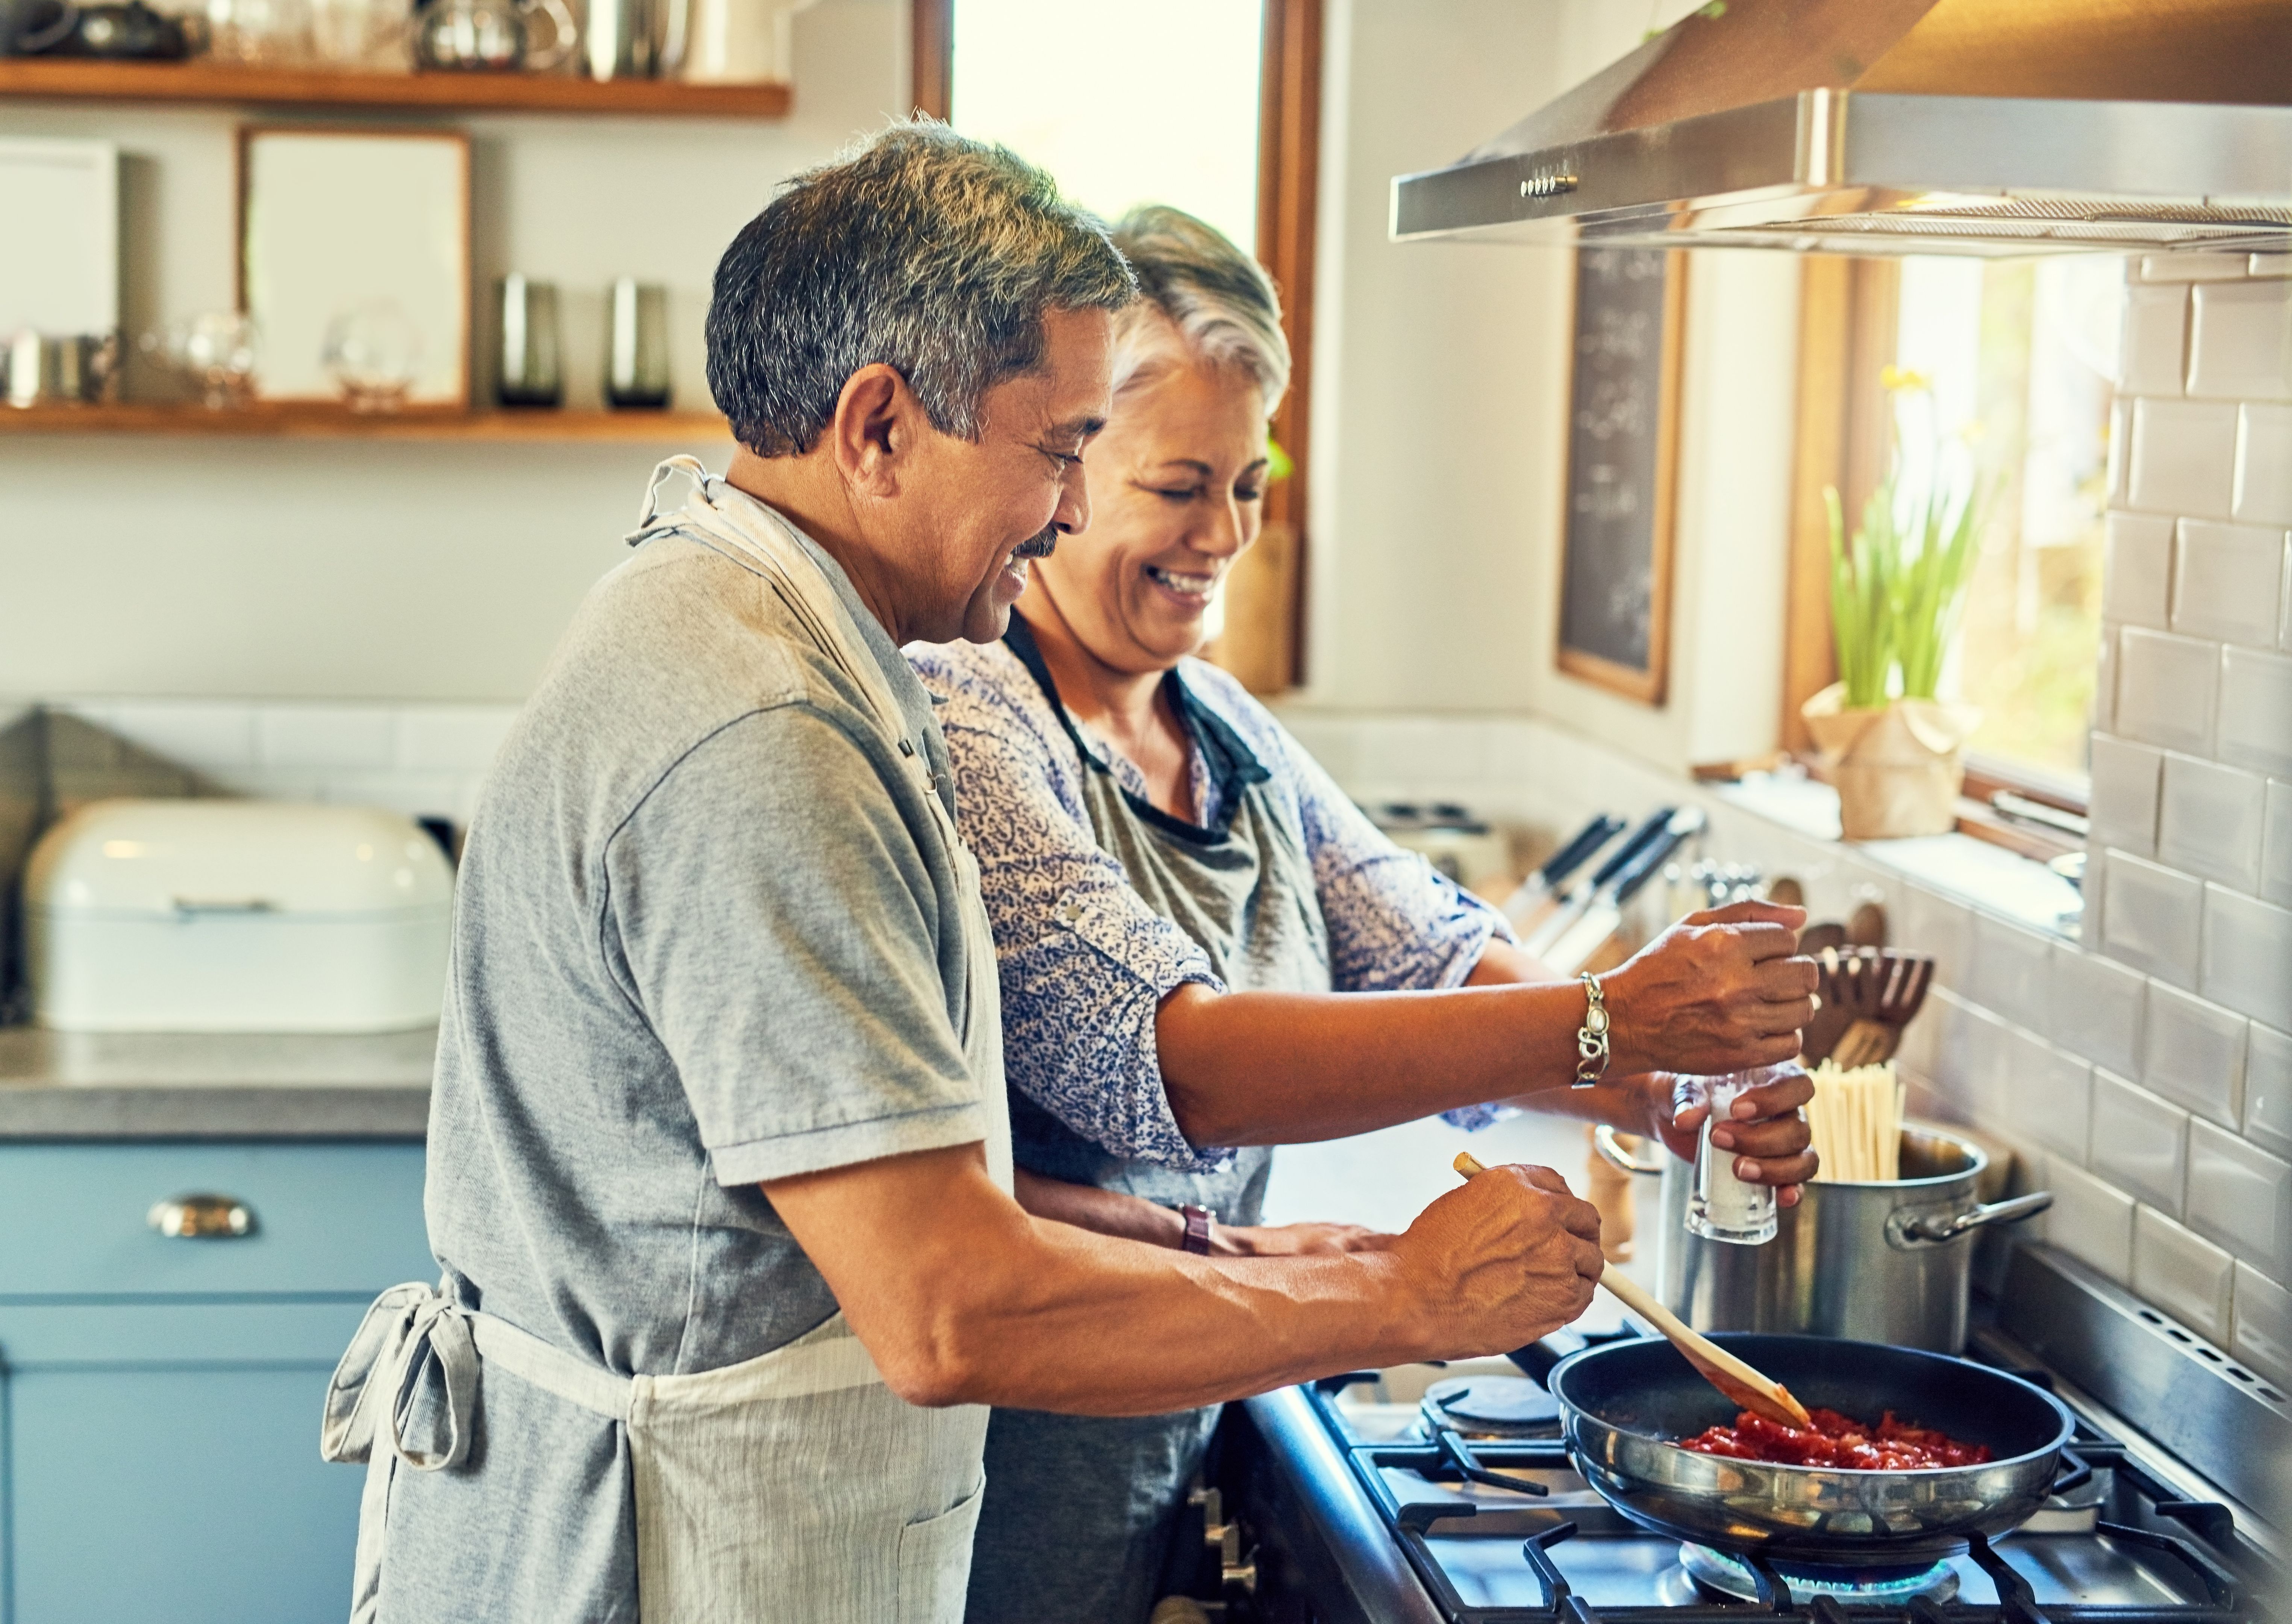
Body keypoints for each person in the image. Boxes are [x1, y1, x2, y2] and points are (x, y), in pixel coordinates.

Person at [315, 125, 1665, 1624]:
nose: (1073, 511)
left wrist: (1209, 1246)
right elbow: (946, 1308)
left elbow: (828, 1178)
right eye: (1061, 450)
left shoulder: (781, 640)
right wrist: (1403, 1296)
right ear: (881, 427)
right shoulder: (766, 735)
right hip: (659, 1559)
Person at [908, 205, 1819, 1624]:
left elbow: (1429, 953)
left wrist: (1661, 1095)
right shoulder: (967, 707)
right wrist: (1614, 1018)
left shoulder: (1220, 724)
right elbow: (1172, 1066)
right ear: (1068, 473)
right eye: (1180, 486)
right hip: (999, 1459)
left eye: (1250, 484)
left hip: (1180, 1413)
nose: (1225, 534)